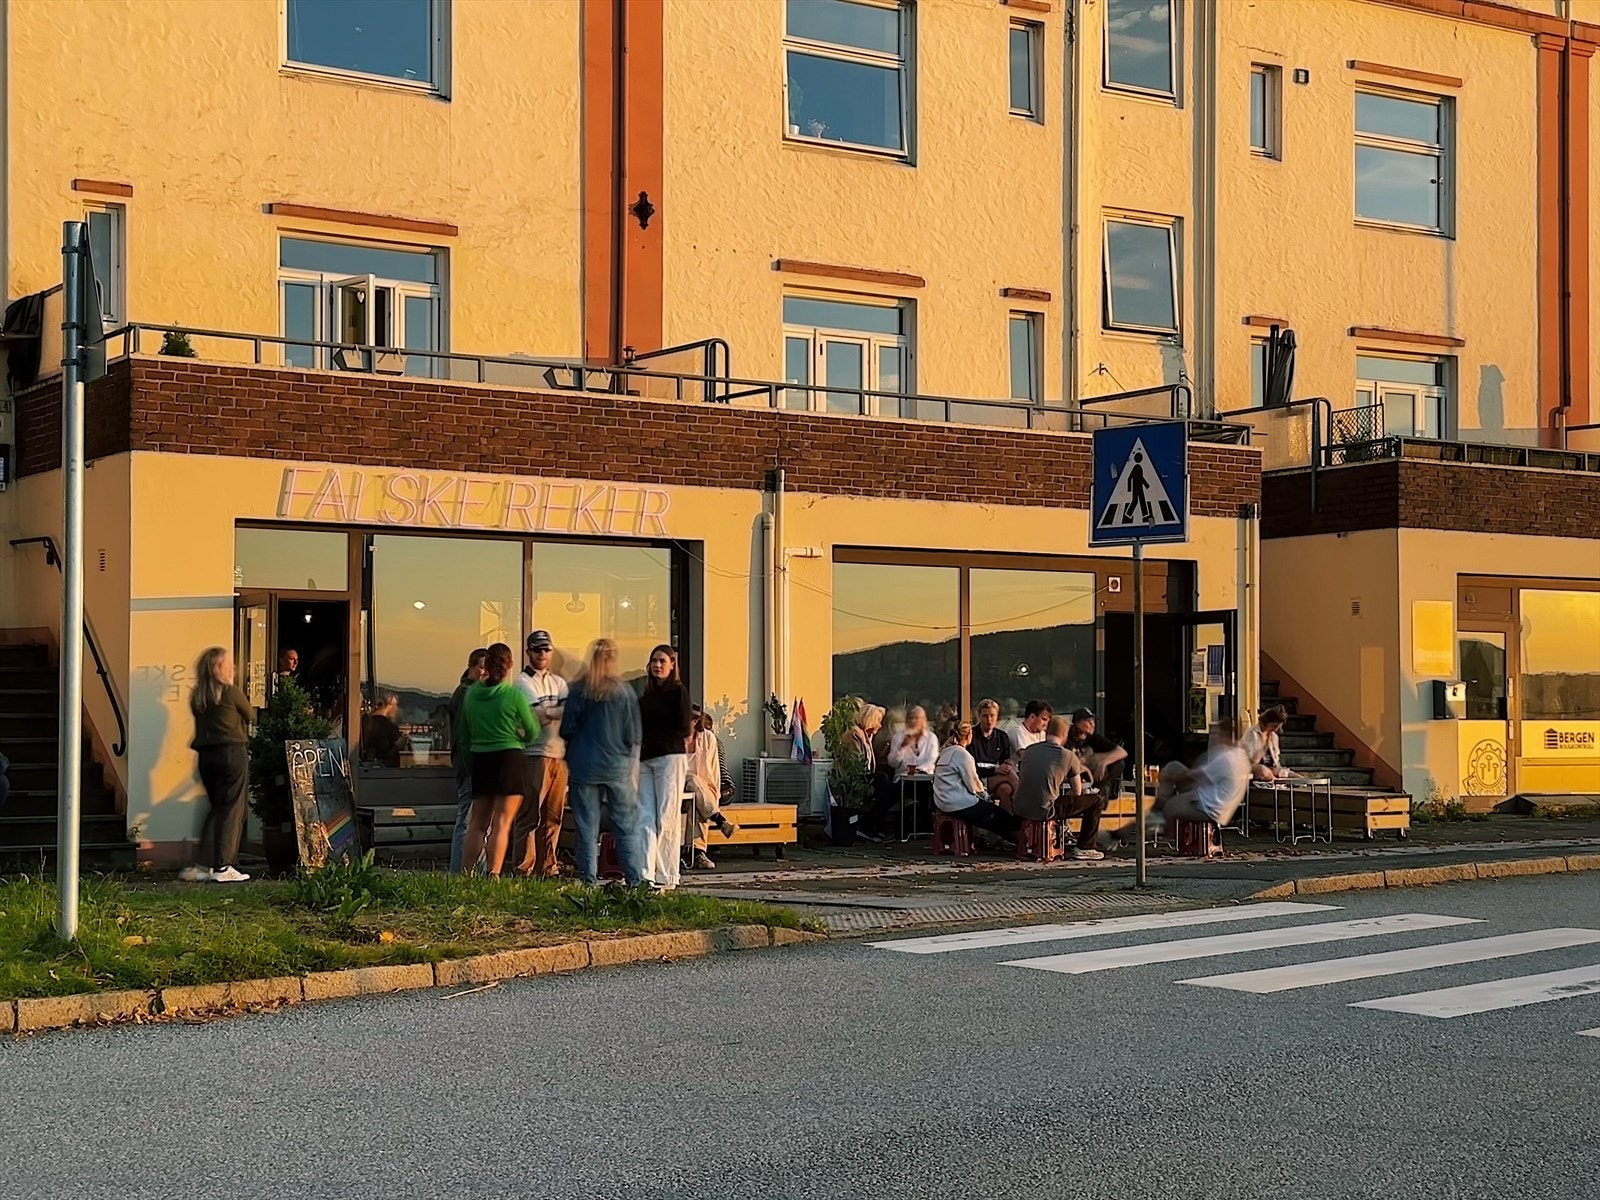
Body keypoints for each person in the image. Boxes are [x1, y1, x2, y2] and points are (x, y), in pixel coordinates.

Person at [562, 638, 648, 887]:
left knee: (587, 827)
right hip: (616, 766)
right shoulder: (623, 691)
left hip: (583, 765)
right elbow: (634, 734)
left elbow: (567, 727)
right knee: (625, 826)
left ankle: (588, 882)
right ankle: (635, 881)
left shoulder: (578, 689)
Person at [457, 643, 541, 877]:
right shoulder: (513, 694)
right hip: (509, 759)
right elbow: (533, 730)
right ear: (509, 665)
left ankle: (466, 873)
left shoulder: (472, 694)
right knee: (502, 823)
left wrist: (470, 758)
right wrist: (520, 739)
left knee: (477, 823)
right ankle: (493, 874)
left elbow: (463, 735)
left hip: (481, 759)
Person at [183, 646, 253, 883]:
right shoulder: (230, 692)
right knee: (231, 809)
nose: (233, 667)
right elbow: (250, 715)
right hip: (231, 752)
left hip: (206, 756)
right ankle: (223, 866)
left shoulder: (198, 696)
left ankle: (202, 864)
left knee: (215, 809)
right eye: (228, 663)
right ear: (219, 668)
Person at [1116, 721, 1252, 841]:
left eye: (1217, 734)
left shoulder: (1227, 757)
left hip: (1209, 806)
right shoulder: (1238, 754)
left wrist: (1175, 779)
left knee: (1170, 807)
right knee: (1173, 767)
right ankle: (1159, 804)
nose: (1214, 737)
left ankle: (1137, 827)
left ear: (1226, 735)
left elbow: (1193, 775)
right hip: (1207, 790)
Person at [509, 630, 570, 879]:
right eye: (537, 649)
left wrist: (549, 711)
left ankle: (548, 867)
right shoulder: (522, 683)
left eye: (546, 649)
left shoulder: (558, 682)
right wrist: (556, 711)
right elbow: (537, 717)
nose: (542, 654)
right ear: (528, 652)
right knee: (530, 814)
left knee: (554, 816)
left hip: (559, 755)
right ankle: (523, 867)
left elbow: (565, 713)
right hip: (534, 754)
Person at [638, 644, 693, 890]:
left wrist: (655, 737)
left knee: (666, 816)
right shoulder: (646, 696)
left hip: (670, 758)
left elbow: (684, 727)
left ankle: (668, 876)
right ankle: (644, 875)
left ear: (672, 664)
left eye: (662, 661)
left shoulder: (678, 692)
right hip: (646, 760)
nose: (657, 665)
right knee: (645, 818)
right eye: (654, 661)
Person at [1014, 716, 1105, 861]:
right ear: (1064, 734)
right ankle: (1085, 847)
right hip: (1045, 810)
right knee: (1096, 801)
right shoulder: (1067, 755)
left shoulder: (1029, 750)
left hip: (1020, 807)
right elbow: (1077, 791)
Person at [933, 721, 1020, 844]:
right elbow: (974, 785)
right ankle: (1021, 842)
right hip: (960, 804)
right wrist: (987, 798)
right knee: (1000, 817)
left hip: (943, 802)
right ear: (969, 736)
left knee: (995, 815)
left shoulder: (944, 753)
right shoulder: (962, 755)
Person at [447, 647, 487, 874]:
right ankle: (460, 871)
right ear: (471, 667)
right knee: (468, 819)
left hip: (472, 764)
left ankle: (472, 870)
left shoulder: (472, 692)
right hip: (470, 765)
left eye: (487, 667)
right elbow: (464, 735)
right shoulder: (466, 693)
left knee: (475, 820)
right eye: (481, 666)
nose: (484, 672)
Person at [685, 705, 738, 870]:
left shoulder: (709, 738)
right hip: (676, 787)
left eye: (695, 718)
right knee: (692, 780)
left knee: (697, 799)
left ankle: (697, 852)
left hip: (702, 793)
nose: (692, 722)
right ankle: (719, 820)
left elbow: (714, 774)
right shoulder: (672, 737)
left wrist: (712, 796)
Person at [1065, 707, 1129, 797]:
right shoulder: (1067, 737)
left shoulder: (1093, 738)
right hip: (1073, 775)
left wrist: (1103, 762)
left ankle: (1102, 793)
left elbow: (1122, 752)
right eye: (1088, 721)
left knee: (1118, 763)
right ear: (1077, 723)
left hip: (1093, 777)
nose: (1092, 724)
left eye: (1093, 721)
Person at [970, 698, 1017, 809]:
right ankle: (1023, 802)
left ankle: (1006, 822)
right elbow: (971, 769)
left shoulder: (1002, 737)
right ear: (979, 717)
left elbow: (1004, 762)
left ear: (997, 717)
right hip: (977, 780)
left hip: (995, 779)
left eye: (992, 716)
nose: (989, 720)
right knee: (1010, 776)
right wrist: (995, 770)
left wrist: (1007, 765)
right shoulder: (971, 736)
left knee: (1005, 789)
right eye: (985, 716)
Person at [1242, 705, 1297, 783]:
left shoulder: (1273, 736)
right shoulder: (1251, 734)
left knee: (1294, 776)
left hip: (1271, 768)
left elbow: (1276, 758)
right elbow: (1248, 760)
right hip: (1254, 767)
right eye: (1274, 726)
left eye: (1278, 727)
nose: (1275, 729)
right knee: (1263, 770)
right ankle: (1275, 781)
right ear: (1266, 722)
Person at [888, 706, 939, 776]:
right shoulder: (898, 737)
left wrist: (918, 770)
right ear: (907, 720)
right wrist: (902, 747)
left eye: (919, 718)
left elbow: (932, 759)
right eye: (912, 718)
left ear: (924, 720)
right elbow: (892, 763)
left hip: (925, 777)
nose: (915, 721)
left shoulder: (931, 737)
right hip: (903, 777)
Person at [360, 693, 405, 767]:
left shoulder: (364, 720)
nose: (396, 708)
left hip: (363, 765)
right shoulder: (388, 725)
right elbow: (399, 745)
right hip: (383, 767)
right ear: (389, 705)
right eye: (395, 705)